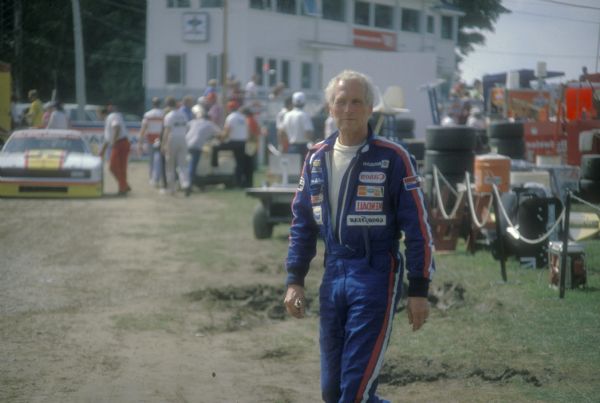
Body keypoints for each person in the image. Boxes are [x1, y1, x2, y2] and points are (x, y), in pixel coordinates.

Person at [283, 70, 435, 403]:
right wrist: (294, 280)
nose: (348, 108)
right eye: (341, 101)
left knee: (353, 393)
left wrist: (419, 289)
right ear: (330, 108)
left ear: (370, 109)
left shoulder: (393, 158)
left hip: (376, 273)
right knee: (332, 393)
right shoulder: (315, 158)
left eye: (356, 102)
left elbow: (418, 228)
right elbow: (302, 224)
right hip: (333, 273)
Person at [184, 109, 221, 196]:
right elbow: (220, 133)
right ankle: (189, 184)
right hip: (196, 145)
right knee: (193, 166)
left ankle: (186, 182)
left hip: (185, 143)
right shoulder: (210, 124)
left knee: (185, 165)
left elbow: (186, 128)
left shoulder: (193, 121)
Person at [99, 105, 131, 195]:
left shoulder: (112, 116)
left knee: (113, 167)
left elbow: (116, 127)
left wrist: (113, 142)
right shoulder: (110, 118)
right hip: (122, 142)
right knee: (120, 167)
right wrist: (103, 151)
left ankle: (123, 187)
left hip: (120, 143)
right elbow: (107, 139)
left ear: (103, 113)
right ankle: (124, 186)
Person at [214, 100, 247, 187]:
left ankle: (215, 166)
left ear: (229, 108)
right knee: (239, 163)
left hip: (234, 142)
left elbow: (227, 131)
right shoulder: (242, 117)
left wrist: (220, 139)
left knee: (215, 148)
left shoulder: (231, 117)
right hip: (242, 142)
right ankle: (238, 182)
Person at [162, 97, 190, 195]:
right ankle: (185, 184)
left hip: (172, 138)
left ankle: (171, 188)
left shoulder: (169, 116)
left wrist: (163, 144)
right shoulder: (183, 114)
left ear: (168, 105)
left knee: (170, 165)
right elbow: (187, 127)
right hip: (183, 138)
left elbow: (167, 131)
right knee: (182, 164)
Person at [138, 97, 165, 187]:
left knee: (152, 160)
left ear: (153, 104)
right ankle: (160, 177)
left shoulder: (148, 115)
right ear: (160, 104)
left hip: (150, 139)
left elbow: (143, 129)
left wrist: (140, 143)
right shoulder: (163, 114)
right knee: (160, 160)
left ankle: (152, 178)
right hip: (161, 139)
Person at [280, 91, 314, 161]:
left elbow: (282, 132)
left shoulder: (287, 115)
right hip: (303, 148)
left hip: (291, 147)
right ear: (304, 102)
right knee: (302, 170)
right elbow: (308, 133)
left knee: (292, 170)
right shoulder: (304, 115)